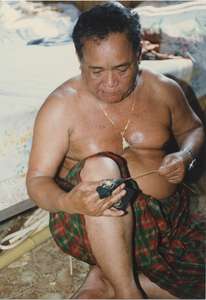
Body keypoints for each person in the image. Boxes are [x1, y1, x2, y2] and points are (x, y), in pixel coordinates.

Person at [26, 2, 205, 299]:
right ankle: (126, 291)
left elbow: (193, 129)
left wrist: (185, 156)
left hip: (165, 224)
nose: (110, 84)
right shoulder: (60, 107)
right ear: (79, 60)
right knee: (101, 170)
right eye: (95, 71)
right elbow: (36, 182)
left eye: (122, 69)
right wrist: (70, 201)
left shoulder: (163, 88)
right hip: (88, 223)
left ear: (138, 54)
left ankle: (112, 278)